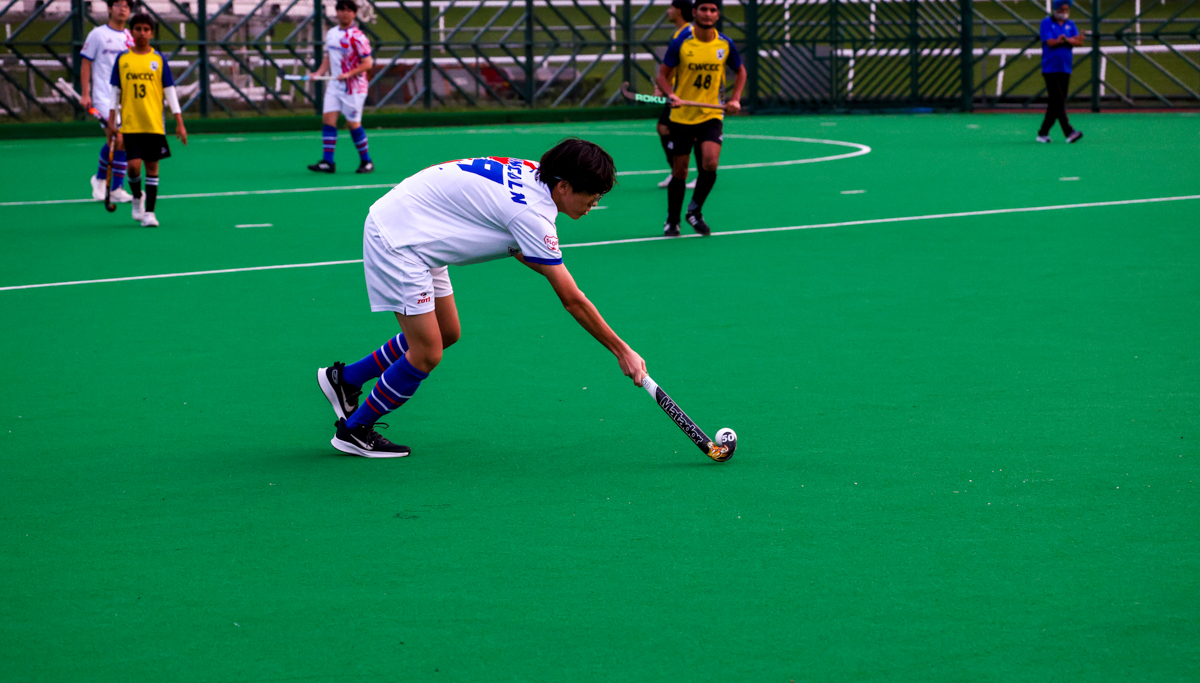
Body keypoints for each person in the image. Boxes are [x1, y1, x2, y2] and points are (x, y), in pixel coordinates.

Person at [316, 139, 647, 457]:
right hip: (400, 240)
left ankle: (345, 379)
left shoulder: (536, 174)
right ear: (564, 186)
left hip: (420, 225)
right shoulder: (533, 214)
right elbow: (572, 300)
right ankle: (354, 430)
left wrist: (552, 269)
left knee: (447, 332)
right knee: (427, 352)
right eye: (591, 197)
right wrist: (623, 351)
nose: (593, 205)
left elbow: (523, 245)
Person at [655, 0, 746, 237]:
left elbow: (740, 71)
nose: (708, 14)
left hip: (711, 114)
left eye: (713, 10)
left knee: (710, 162)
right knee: (680, 171)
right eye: (704, 9)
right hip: (682, 115)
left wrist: (735, 99)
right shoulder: (682, 42)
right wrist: (671, 94)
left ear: (718, 14)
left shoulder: (725, 44)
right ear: (695, 12)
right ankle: (672, 220)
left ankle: (694, 210)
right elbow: (662, 75)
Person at [108, 13, 188, 228]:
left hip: (153, 124)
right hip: (130, 124)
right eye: (138, 29)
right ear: (131, 32)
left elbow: (170, 92)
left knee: (152, 168)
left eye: (146, 29)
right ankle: (137, 197)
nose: (142, 33)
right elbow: (115, 93)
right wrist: (111, 122)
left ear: (151, 33)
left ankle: (150, 213)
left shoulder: (158, 59)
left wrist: (179, 122)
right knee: (133, 167)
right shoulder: (123, 59)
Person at [307, 0, 375, 174]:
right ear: (336, 12)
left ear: (354, 13)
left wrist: (349, 74)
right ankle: (328, 162)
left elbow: (367, 63)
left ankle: (366, 161)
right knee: (328, 120)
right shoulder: (332, 33)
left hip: (354, 87)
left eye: (348, 10)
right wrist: (319, 73)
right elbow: (330, 56)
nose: (344, 13)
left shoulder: (358, 37)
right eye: (341, 10)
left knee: (353, 124)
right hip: (335, 85)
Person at [81, 0, 134, 204]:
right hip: (103, 96)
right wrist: (85, 93)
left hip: (125, 98)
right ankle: (116, 188)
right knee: (118, 138)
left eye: (126, 6)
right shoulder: (97, 34)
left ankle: (100, 179)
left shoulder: (129, 37)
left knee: (119, 140)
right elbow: (86, 62)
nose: (122, 9)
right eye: (118, 5)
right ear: (110, 8)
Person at [656, 0, 694, 190]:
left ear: (679, 11)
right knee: (664, 128)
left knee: (696, 133)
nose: (668, 11)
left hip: (689, 94)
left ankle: (701, 174)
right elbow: (673, 65)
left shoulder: (689, 33)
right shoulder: (680, 33)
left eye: (671, 8)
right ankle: (676, 172)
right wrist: (665, 87)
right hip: (677, 93)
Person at [1038, 0, 1084, 144]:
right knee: (1058, 100)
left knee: (1056, 103)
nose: (1064, 12)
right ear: (1056, 9)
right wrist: (1064, 40)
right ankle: (1069, 132)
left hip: (1065, 68)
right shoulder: (1046, 23)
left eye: (1067, 9)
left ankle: (1043, 133)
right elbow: (1050, 42)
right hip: (1050, 68)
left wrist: (1066, 40)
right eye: (1062, 9)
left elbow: (1078, 41)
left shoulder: (1070, 24)